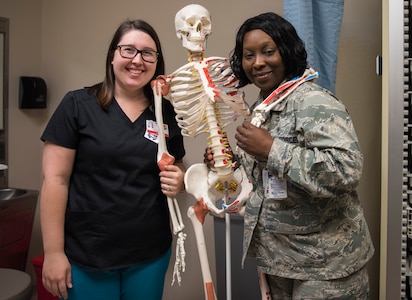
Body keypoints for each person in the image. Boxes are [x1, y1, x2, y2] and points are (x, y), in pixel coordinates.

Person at [205, 12, 374, 299]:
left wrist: (272, 149)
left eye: (267, 52)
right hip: (281, 261)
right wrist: (230, 164)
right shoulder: (264, 108)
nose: (257, 62)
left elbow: (346, 170)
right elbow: (266, 177)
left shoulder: (313, 101)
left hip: (326, 267)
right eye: (248, 55)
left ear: (286, 51)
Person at [40, 19, 185, 300]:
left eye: (148, 53)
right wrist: (53, 252)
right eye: (128, 50)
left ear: (157, 62)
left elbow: (176, 163)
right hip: (88, 254)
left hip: (149, 253)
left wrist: (179, 177)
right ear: (112, 56)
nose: (137, 60)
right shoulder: (77, 106)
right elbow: (55, 180)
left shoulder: (164, 112)